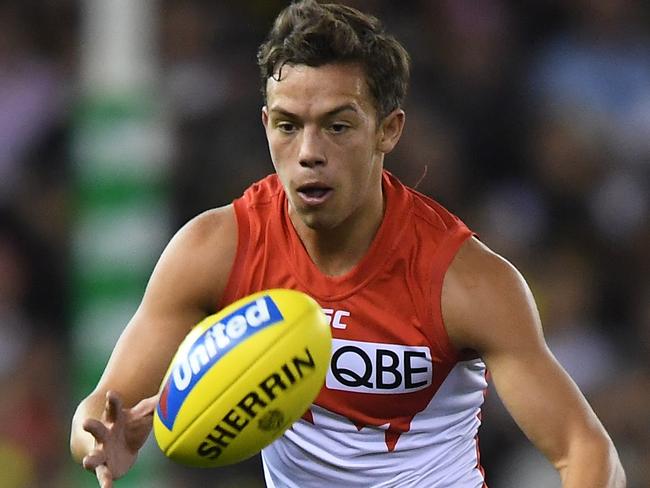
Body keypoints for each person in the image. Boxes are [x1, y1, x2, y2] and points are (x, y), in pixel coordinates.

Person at [70, 1, 626, 487]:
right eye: (289, 126)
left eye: (337, 126)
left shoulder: (465, 280)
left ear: (389, 129)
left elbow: (586, 450)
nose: (309, 152)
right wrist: (99, 440)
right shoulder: (213, 249)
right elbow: (99, 411)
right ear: (266, 125)